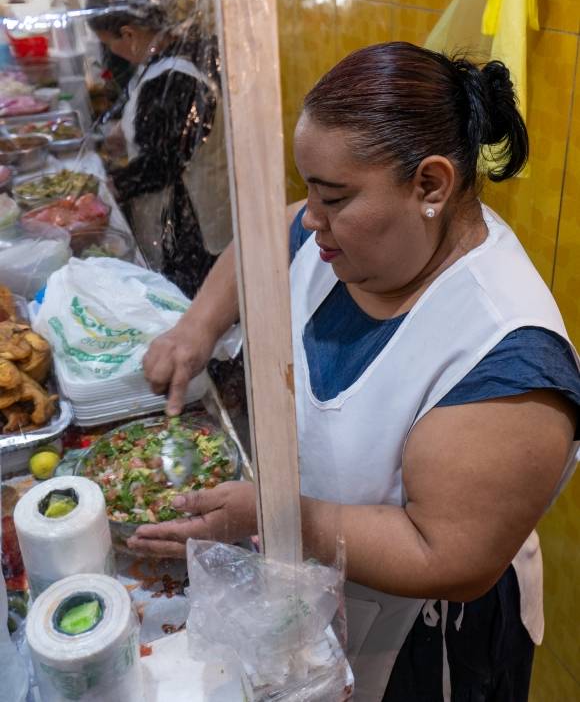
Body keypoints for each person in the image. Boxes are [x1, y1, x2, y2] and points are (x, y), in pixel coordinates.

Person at [130, 43, 579, 702]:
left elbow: (444, 553)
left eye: (334, 196)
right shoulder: (337, 236)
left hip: (431, 644)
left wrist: (285, 516)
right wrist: (197, 326)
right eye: (310, 187)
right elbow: (269, 233)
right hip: (316, 588)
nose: (311, 216)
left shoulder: (508, 357)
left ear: (430, 185)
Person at [86, 0, 226, 298]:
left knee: (187, 299)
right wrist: (131, 130)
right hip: (204, 205)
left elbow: (162, 165)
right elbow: (174, 134)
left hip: (193, 221)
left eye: (110, 43)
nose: (113, 52)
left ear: (130, 34)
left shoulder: (172, 77)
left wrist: (114, 186)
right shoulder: (183, 48)